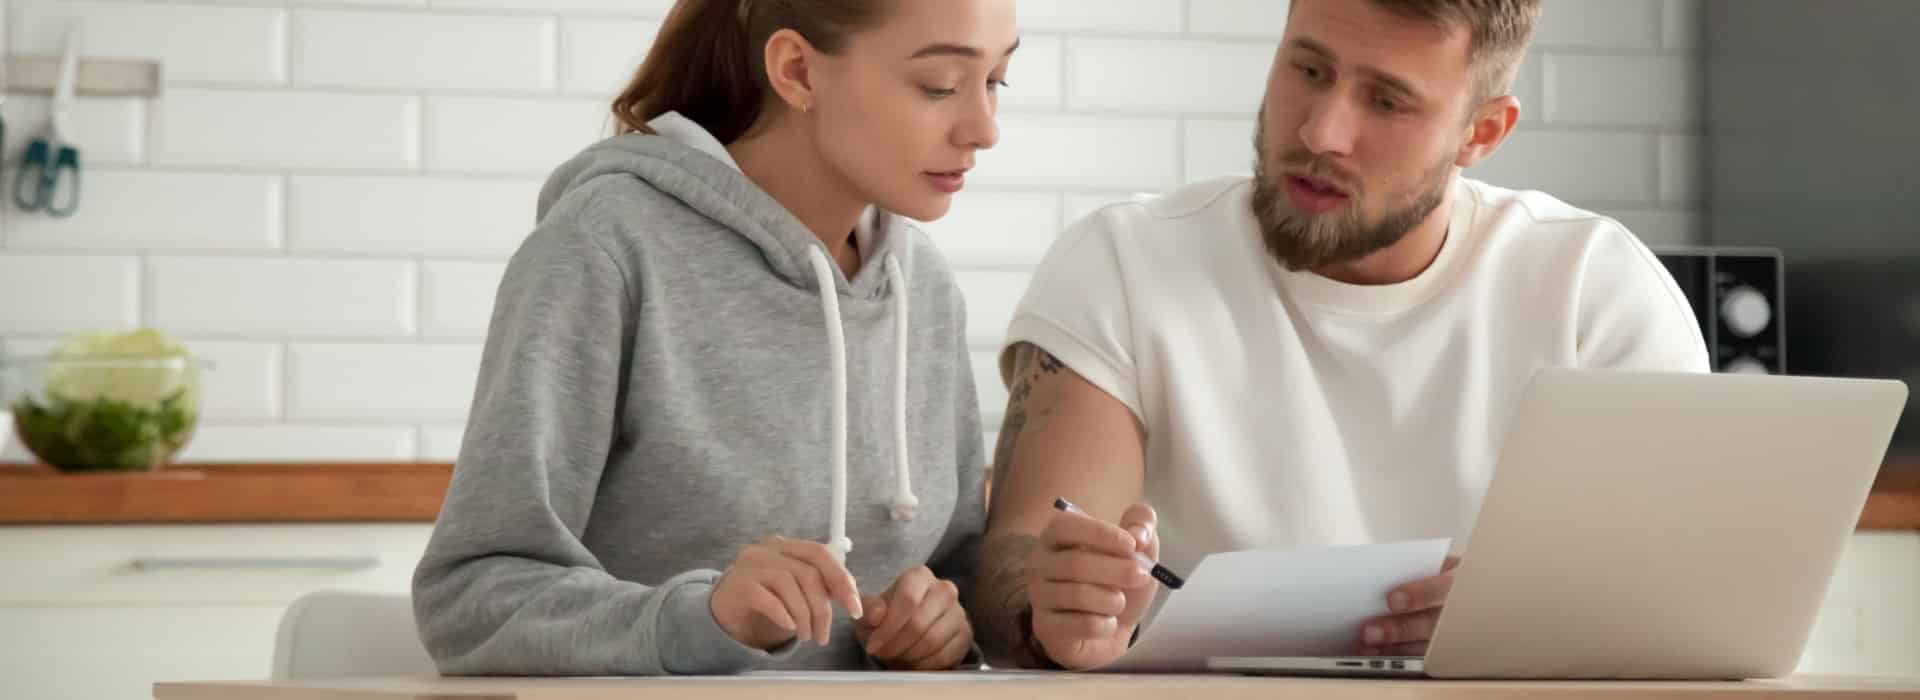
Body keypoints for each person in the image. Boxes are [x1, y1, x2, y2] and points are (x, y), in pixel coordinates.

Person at [967, 0, 1708, 670]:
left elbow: (1689, 603)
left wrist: (1533, 622)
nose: (1322, 131)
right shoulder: (1124, 265)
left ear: (1482, 132)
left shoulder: (1598, 295)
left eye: (1386, 101)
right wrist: (1053, 614)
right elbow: (1019, 560)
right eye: (1309, 68)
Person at [412, 0, 1019, 675]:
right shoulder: (607, 246)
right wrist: (702, 621)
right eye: (939, 85)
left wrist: (939, 628)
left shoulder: (925, 288)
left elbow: (955, 580)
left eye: (996, 81)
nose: (984, 129)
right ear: (798, 72)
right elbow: (469, 601)